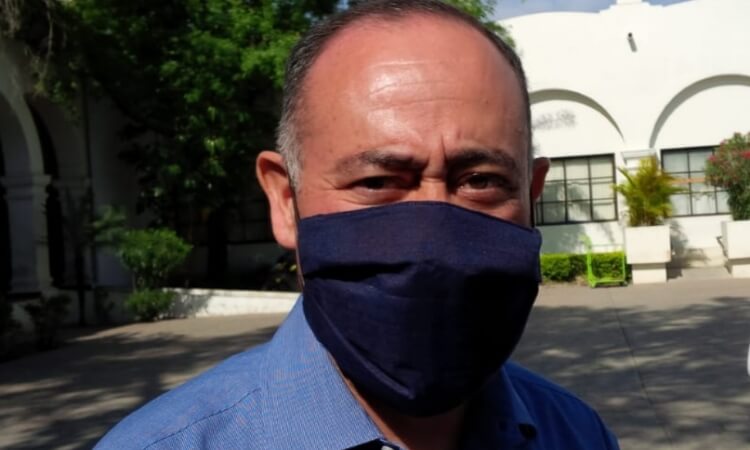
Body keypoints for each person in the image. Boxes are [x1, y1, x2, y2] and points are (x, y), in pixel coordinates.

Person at [97, 1, 620, 448]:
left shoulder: (577, 433)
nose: (432, 240)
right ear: (285, 201)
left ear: (530, 194)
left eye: (479, 180)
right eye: (377, 181)